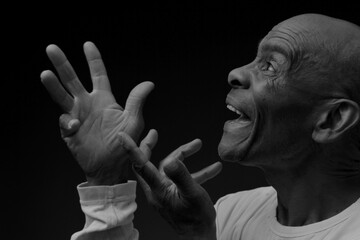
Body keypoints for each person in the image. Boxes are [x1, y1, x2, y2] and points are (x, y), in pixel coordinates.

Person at [41, 13, 360, 240]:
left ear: (332, 120)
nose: (236, 72)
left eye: (270, 66)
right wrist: (106, 181)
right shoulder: (234, 211)